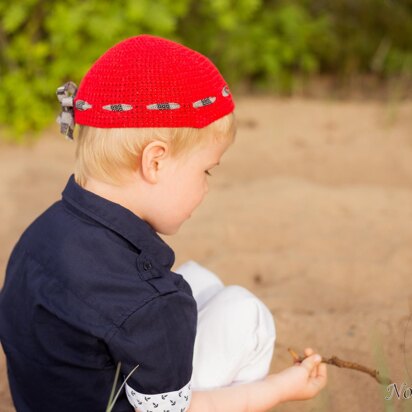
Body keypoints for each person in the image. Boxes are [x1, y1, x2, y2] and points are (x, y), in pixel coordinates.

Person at [0, 34, 327, 412]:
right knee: (246, 314)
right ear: (155, 162)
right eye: (206, 170)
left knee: (199, 280)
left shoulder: (40, 233)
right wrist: (281, 389)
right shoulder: (150, 300)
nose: (206, 187)